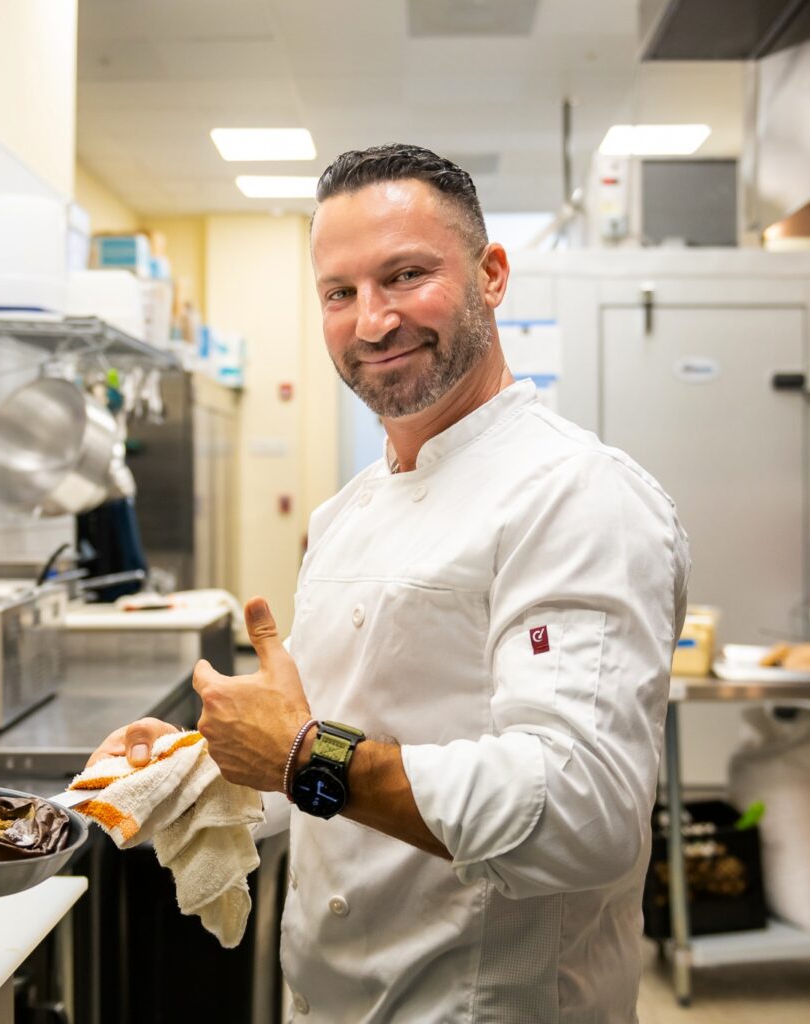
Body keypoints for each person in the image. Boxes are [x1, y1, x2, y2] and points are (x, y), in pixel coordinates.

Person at [87, 144, 691, 1022]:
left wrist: (302, 756)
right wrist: (199, 770)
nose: (371, 322)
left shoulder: (578, 496)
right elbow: (337, 757)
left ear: (491, 275)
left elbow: (580, 812)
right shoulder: (345, 515)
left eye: (405, 276)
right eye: (340, 292)